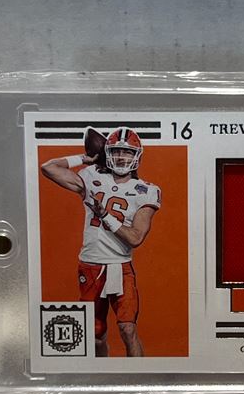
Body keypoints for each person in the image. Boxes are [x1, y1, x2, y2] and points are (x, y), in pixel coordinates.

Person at [41, 127, 161, 357]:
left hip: (120, 266)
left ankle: (140, 376)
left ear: (137, 156)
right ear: (108, 153)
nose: (121, 157)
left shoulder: (147, 190)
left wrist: (105, 215)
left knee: (128, 329)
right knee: (95, 334)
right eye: (116, 151)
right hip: (90, 264)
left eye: (127, 152)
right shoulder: (91, 176)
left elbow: (136, 237)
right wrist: (82, 158)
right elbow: (48, 168)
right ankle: (101, 373)